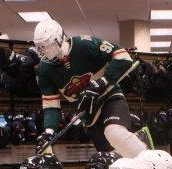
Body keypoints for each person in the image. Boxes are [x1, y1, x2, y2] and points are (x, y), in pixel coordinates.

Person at [32, 19, 147, 158]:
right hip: (89, 114)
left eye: (46, 46)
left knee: (115, 133)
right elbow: (51, 105)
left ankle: (151, 161)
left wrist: (101, 82)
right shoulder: (44, 70)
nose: (44, 51)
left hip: (109, 98)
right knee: (111, 158)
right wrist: (48, 133)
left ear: (59, 39)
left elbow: (123, 57)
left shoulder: (84, 44)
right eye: (41, 47)